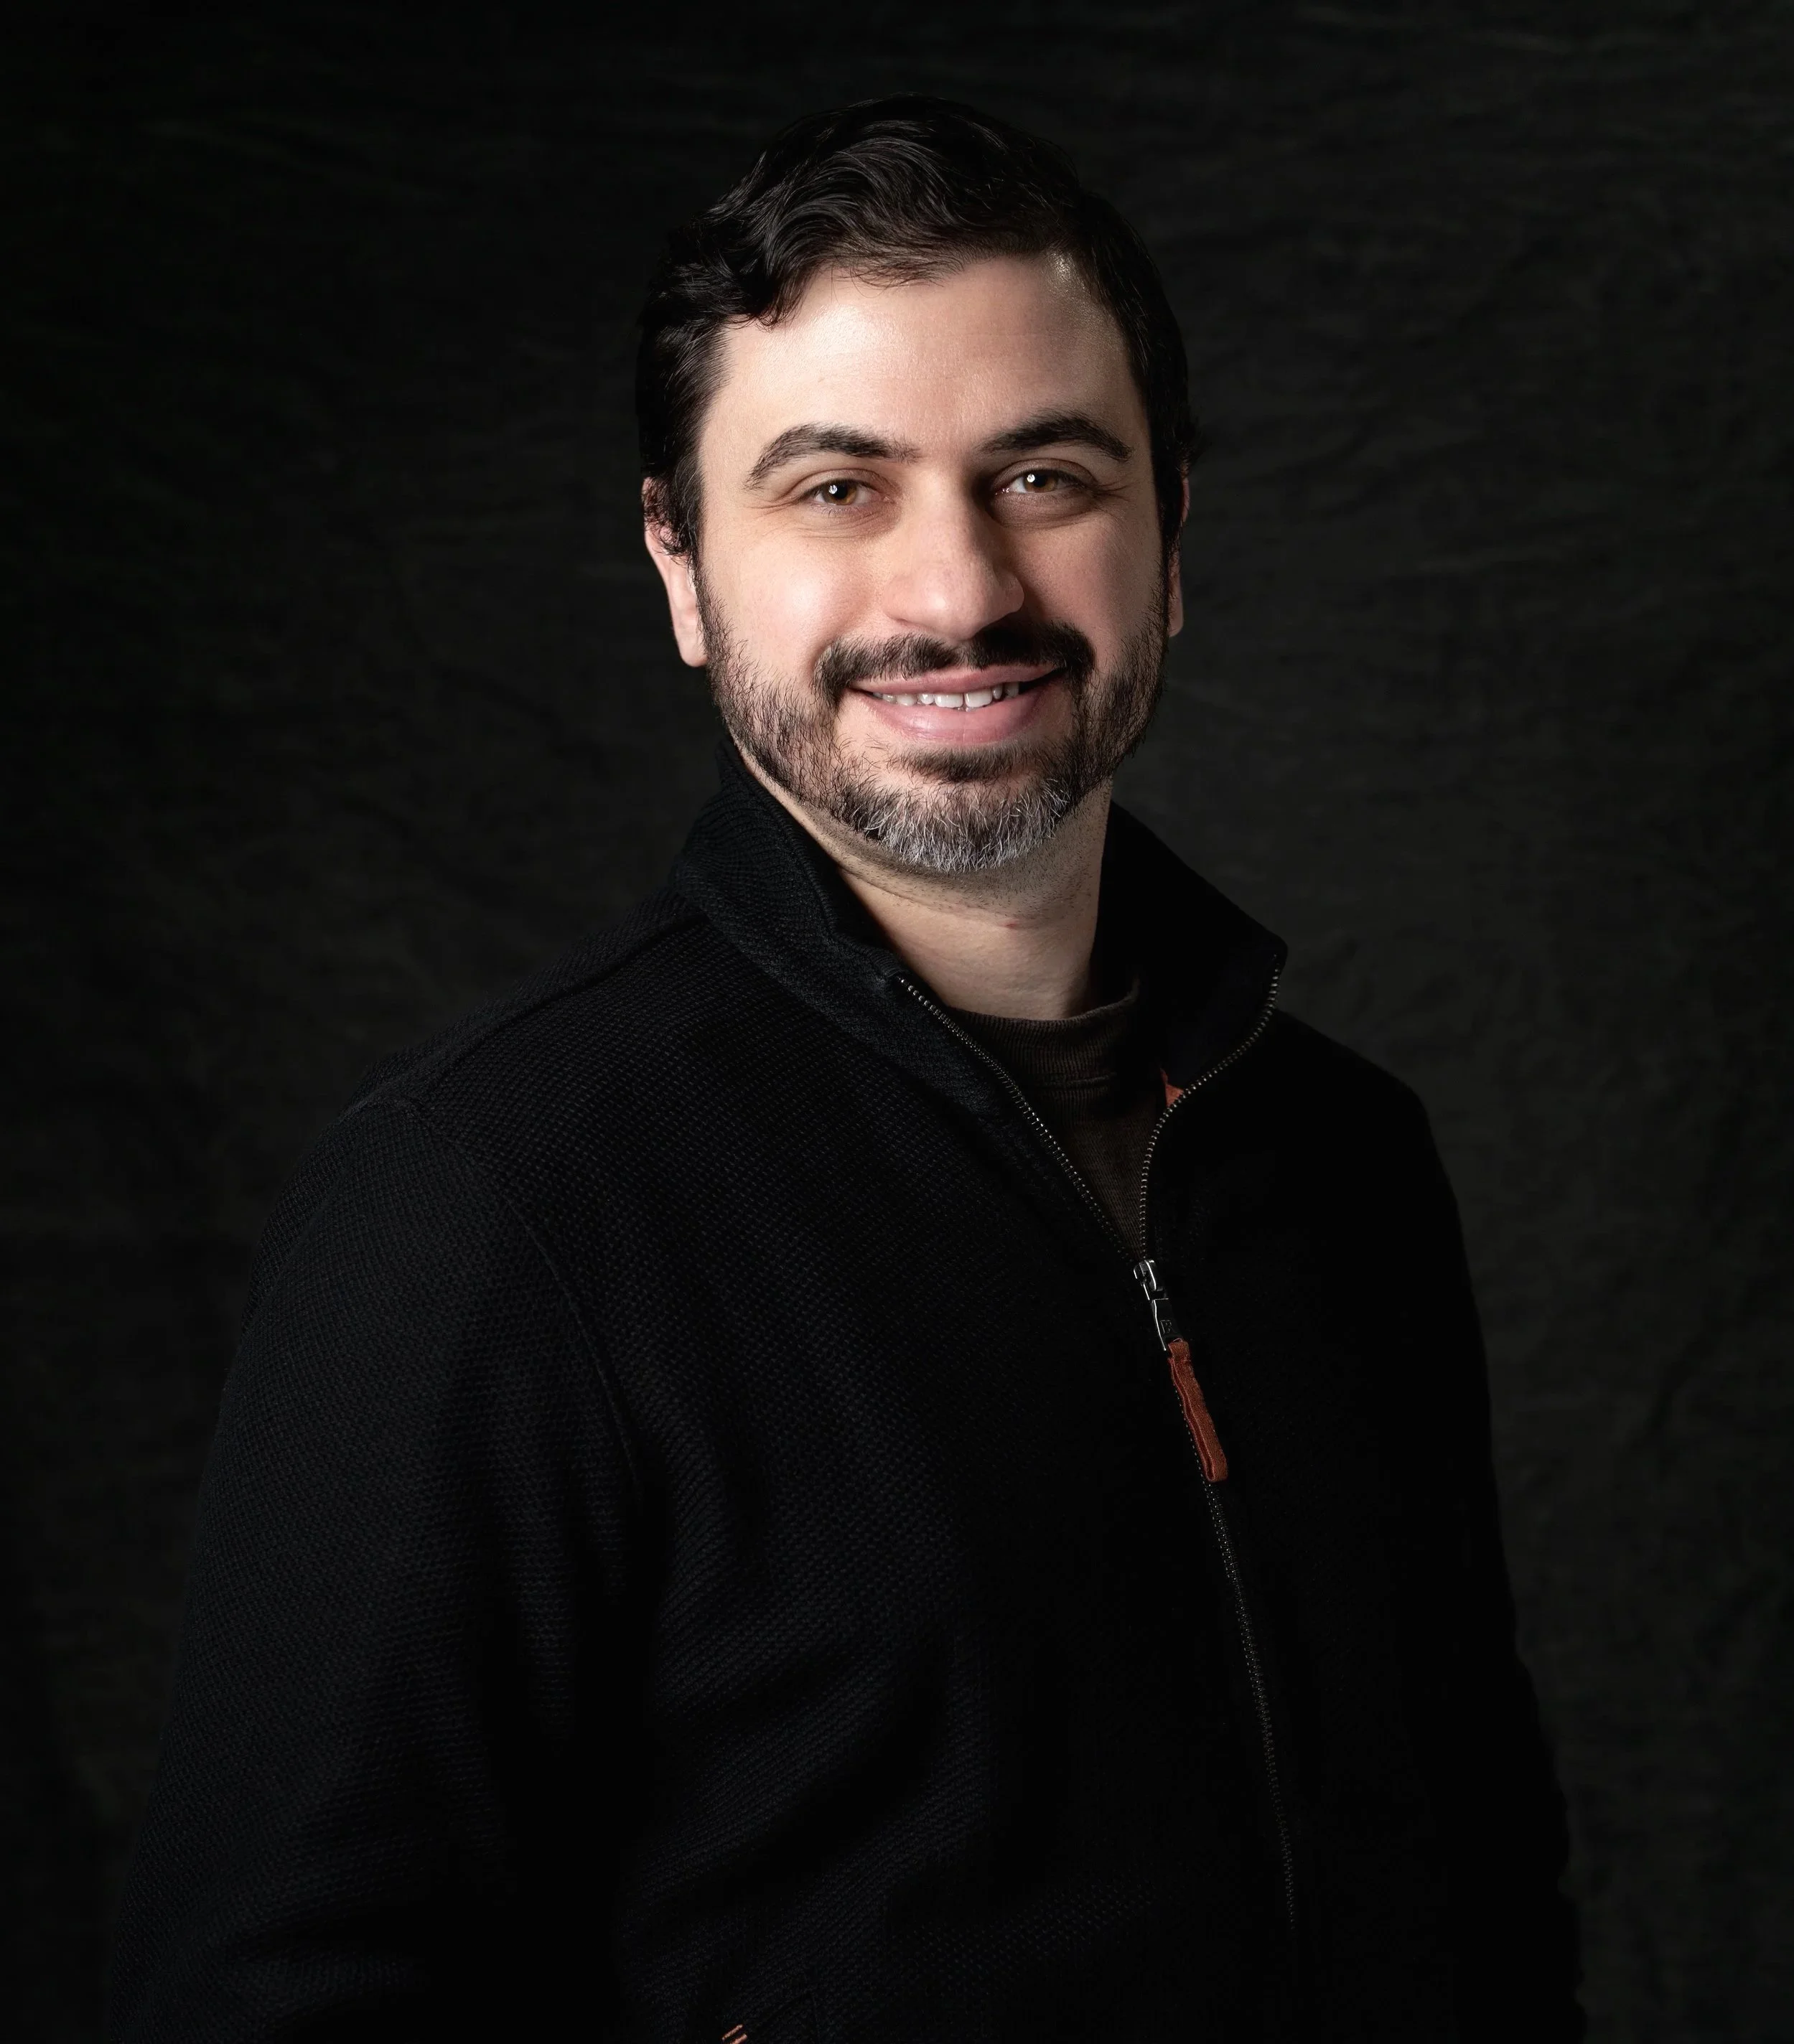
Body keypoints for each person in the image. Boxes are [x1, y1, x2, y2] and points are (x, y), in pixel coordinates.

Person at [110, 97, 1581, 2043]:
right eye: (837, 488)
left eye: (1046, 474)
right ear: (681, 565)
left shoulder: (1342, 1165)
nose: (958, 592)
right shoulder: (487, 1206)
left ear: (1174, 530)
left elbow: (1480, 1899)